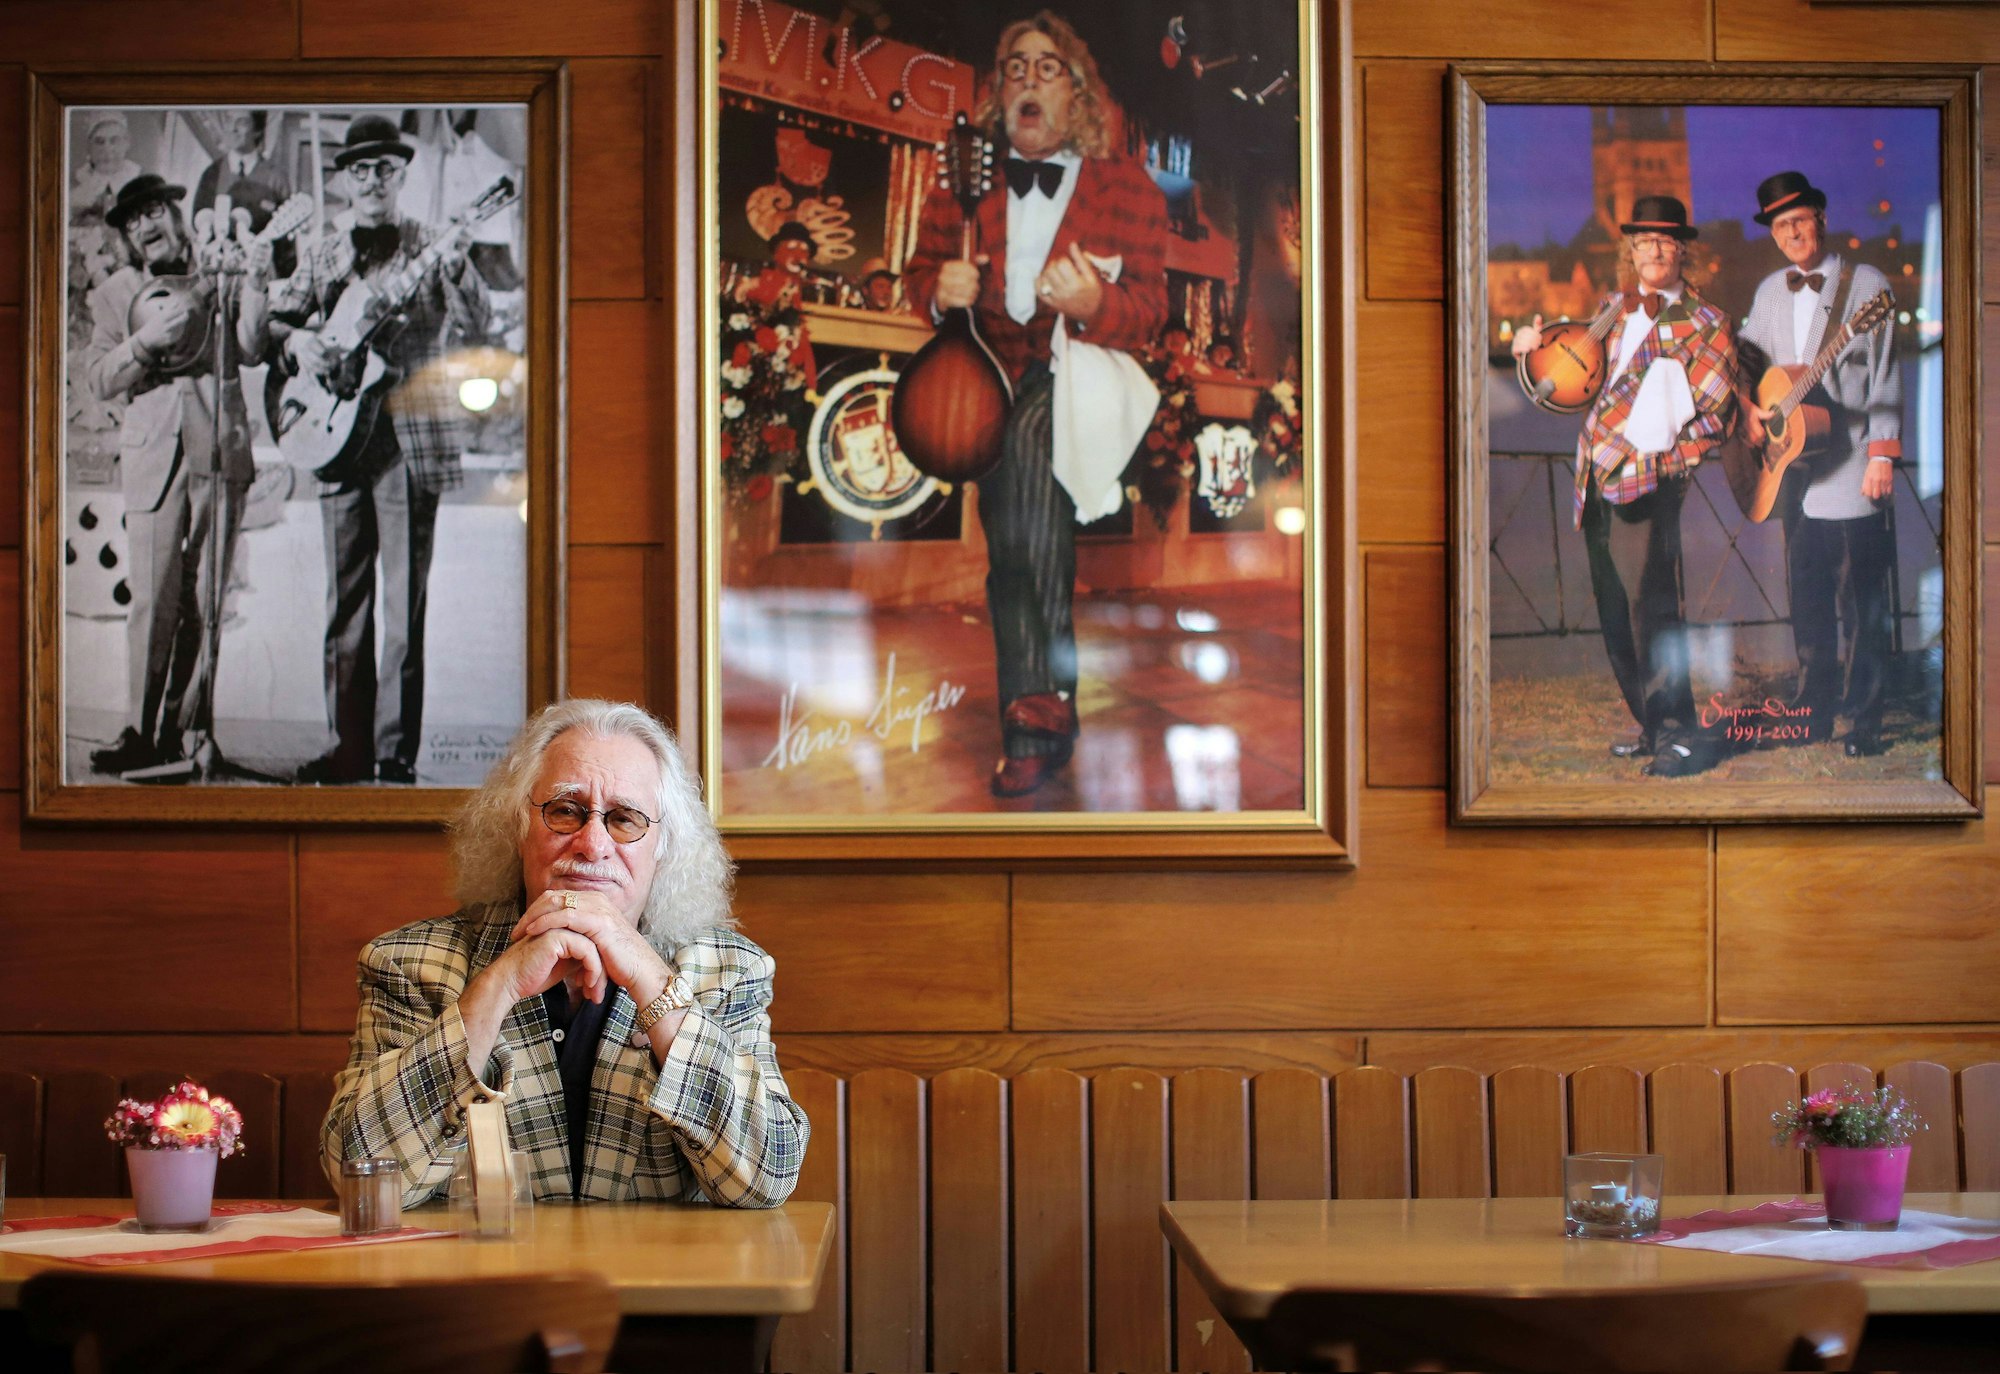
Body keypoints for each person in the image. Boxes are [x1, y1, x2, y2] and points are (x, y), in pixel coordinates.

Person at [321, 698, 809, 1207]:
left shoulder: (726, 971)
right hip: (482, 1283)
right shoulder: (410, 962)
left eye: (624, 819)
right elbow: (360, 1174)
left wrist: (649, 979)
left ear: (663, 848)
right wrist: (498, 988)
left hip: (658, 1283)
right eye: (564, 811)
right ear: (518, 828)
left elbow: (766, 1177)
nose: (592, 843)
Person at [902, 9, 1169, 798]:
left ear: (1078, 95)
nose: (1027, 80)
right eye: (1014, 68)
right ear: (998, 95)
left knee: (1020, 489)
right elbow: (920, 273)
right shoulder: (964, 183)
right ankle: (1050, 704)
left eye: (1046, 68)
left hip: (1084, 381)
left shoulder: (1128, 187)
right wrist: (935, 291)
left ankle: (1034, 720)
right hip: (987, 384)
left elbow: (1152, 313)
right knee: (1014, 545)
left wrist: (1094, 301)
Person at [270, 114, 489, 786]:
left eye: (385, 169)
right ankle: (347, 749)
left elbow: (477, 321)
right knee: (347, 606)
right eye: (360, 169)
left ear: (401, 176)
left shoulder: (434, 244)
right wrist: (296, 342)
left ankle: (394, 759)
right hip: (337, 441)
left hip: (405, 444)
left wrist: (456, 272)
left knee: (403, 609)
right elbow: (280, 316)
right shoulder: (324, 251)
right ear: (343, 180)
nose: (373, 181)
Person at [1510, 195, 1737, 777]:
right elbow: (1572, 379)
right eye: (1643, 242)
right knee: (1616, 612)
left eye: (1665, 242)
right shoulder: (1612, 306)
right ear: (1629, 250)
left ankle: (1679, 734)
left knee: (1653, 611)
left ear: (1682, 250)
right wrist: (1530, 352)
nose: (1654, 251)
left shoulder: (1707, 324)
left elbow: (1715, 417)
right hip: (1594, 475)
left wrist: (1666, 465)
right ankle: (1649, 722)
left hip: (1648, 483)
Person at [82, 174, 270, 776]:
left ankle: (189, 737)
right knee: (154, 602)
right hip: (153, 458)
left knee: (208, 600)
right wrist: (141, 344)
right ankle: (142, 733)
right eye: (133, 220)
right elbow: (97, 378)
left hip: (219, 446)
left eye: (155, 211)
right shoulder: (112, 294)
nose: (146, 226)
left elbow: (250, 346)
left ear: (175, 213)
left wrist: (255, 284)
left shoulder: (221, 270)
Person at [1739, 171, 1902, 757]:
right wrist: (1748, 409)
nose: (1792, 233)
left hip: (1855, 466)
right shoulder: (1768, 295)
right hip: (1794, 471)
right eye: (1781, 226)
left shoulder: (1868, 285)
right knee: (1806, 600)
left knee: (1862, 603)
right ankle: (1812, 712)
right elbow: (1745, 361)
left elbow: (1885, 372)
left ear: (1822, 219)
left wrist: (1882, 453)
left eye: (1800, 220)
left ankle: (1864, 721)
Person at [193, 109, 296, 280]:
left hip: (260, 278)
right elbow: (199, 228)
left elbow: (286, 246)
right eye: (228, 121)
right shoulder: (212, 174)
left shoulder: (276, 177)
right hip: (219, 279)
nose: (232, 128)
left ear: (258, 130)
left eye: (241, 122)